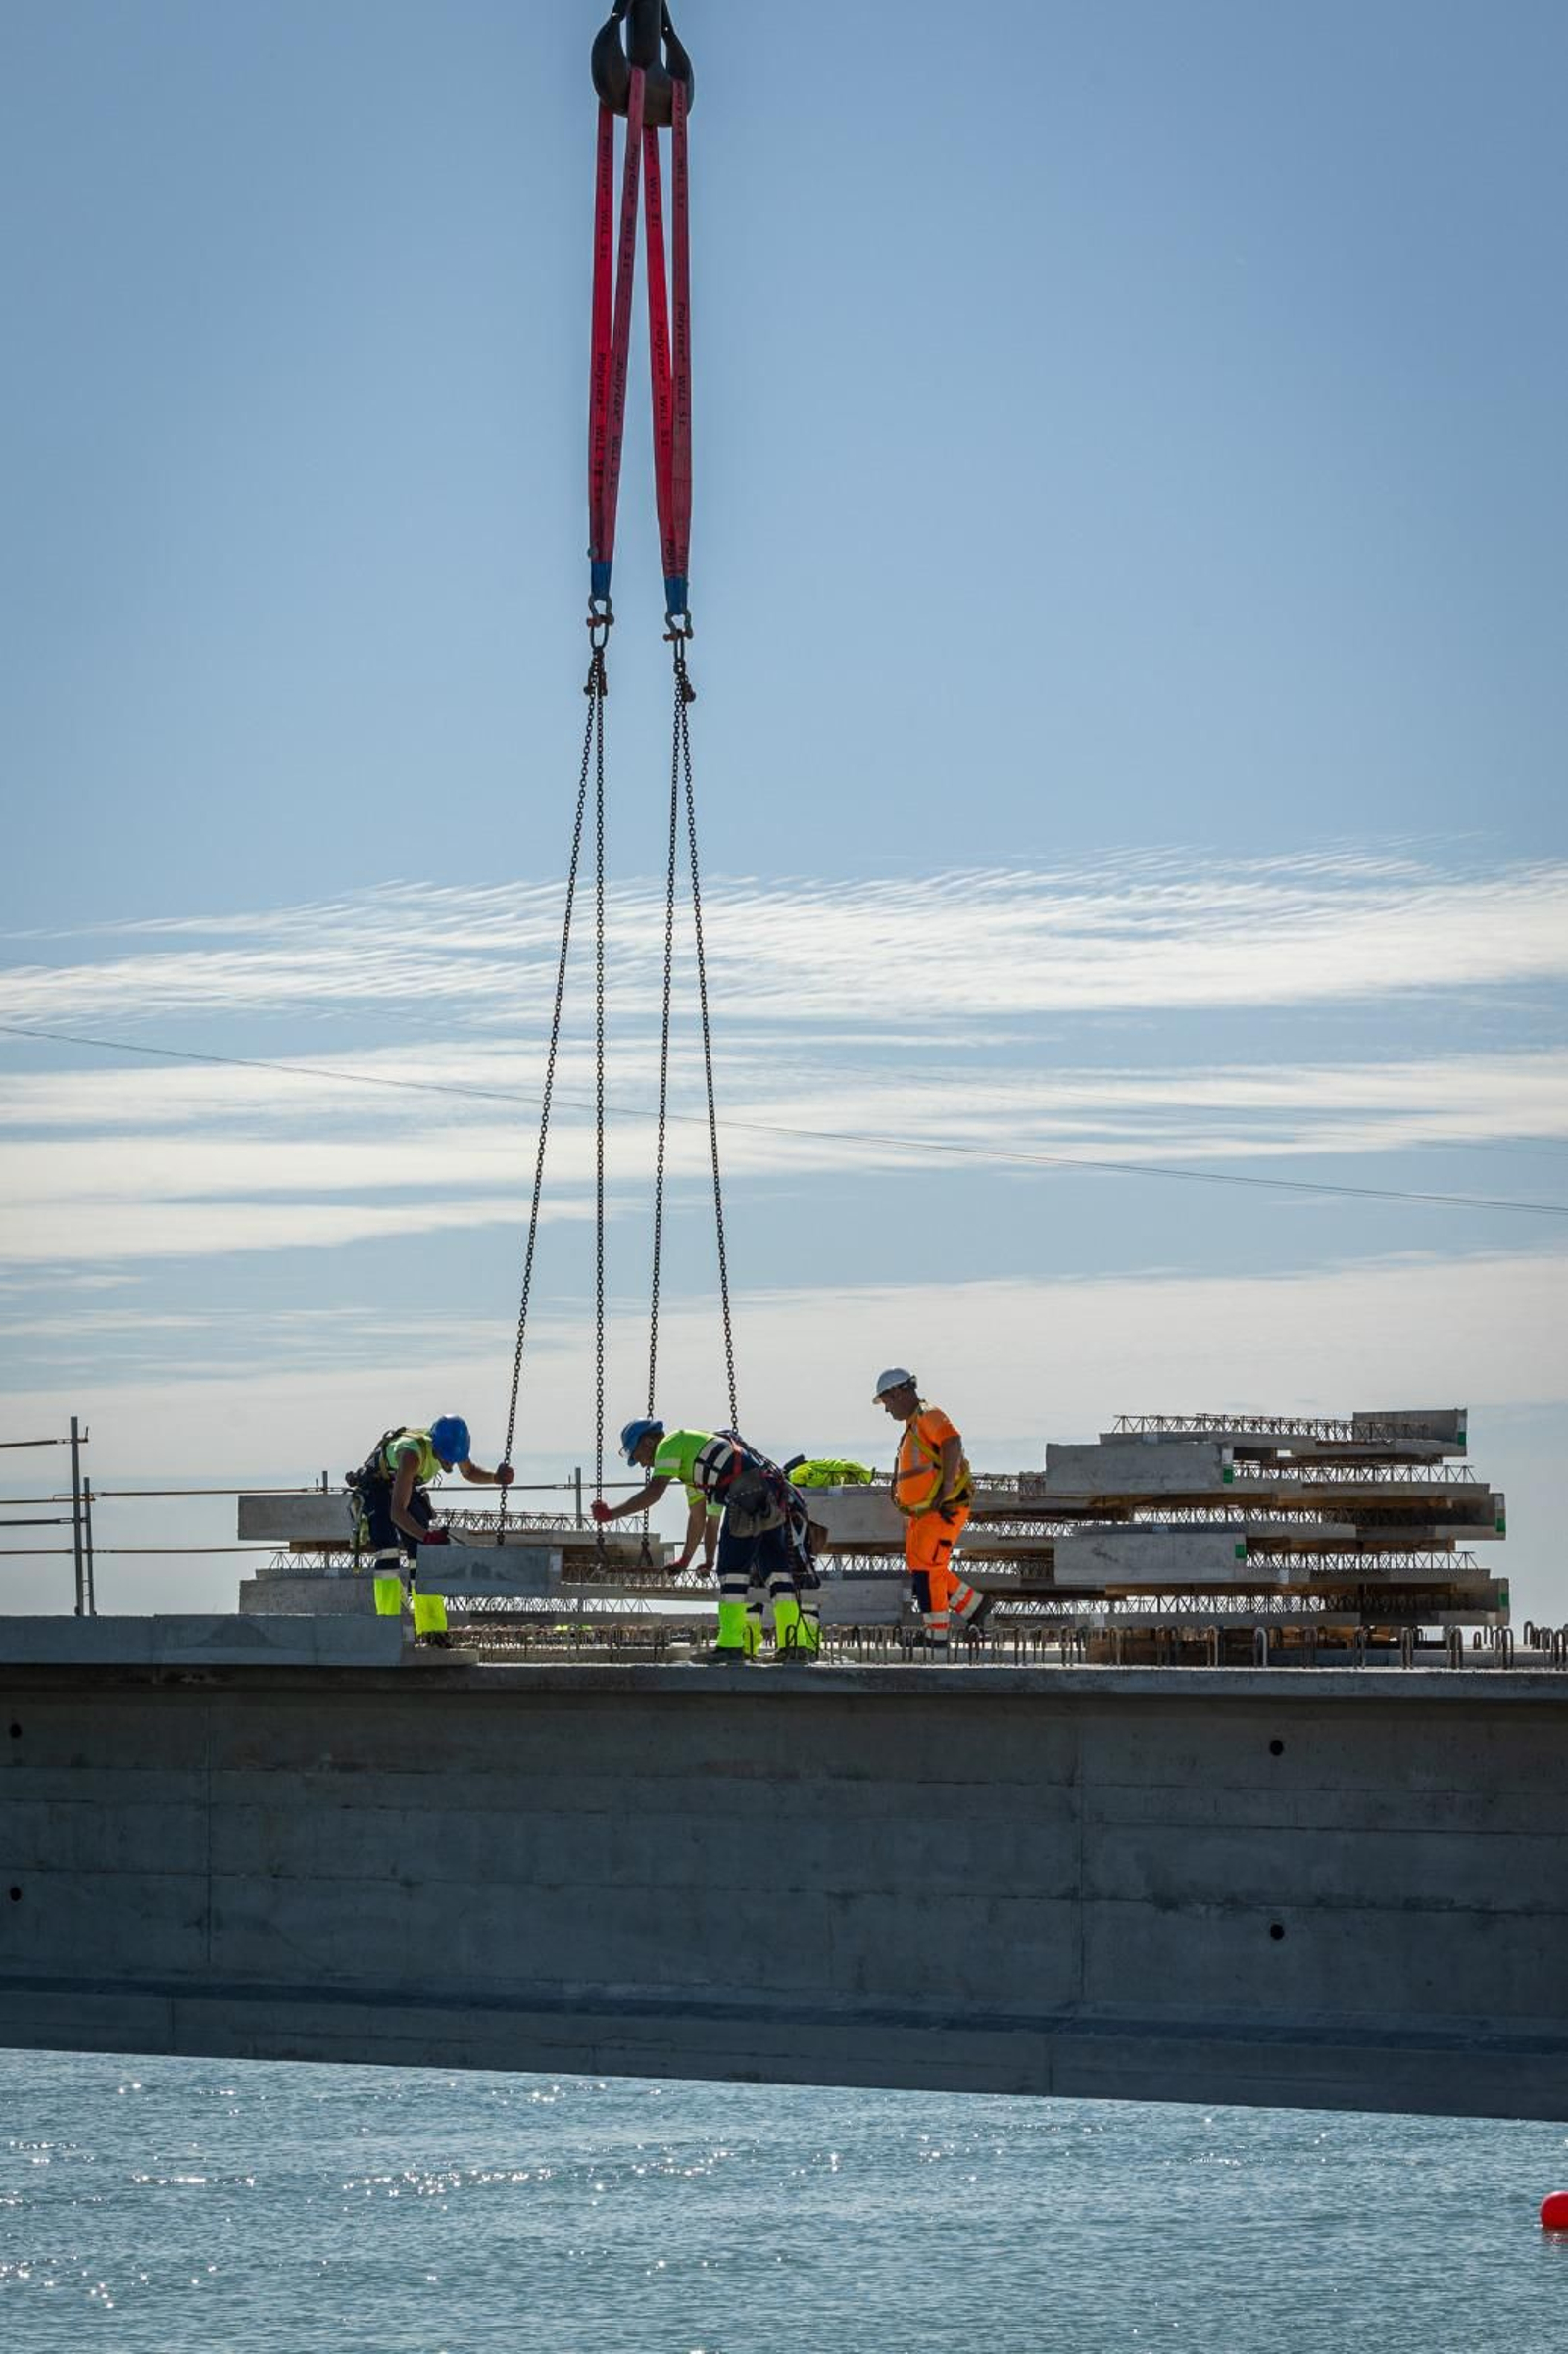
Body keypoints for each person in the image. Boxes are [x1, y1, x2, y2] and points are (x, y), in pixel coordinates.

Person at [594, 1419, 819, 1665]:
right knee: (777, 1573)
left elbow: (655, 1490)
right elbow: (698, 1517)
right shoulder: (692, 1459)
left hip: (745, 1492)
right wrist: (686, 1559)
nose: (640, 1463)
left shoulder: (669, 1444)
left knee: (731, 1572)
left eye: (637, 1455)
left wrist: (611, 1514)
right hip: (769, 1495)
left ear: (648, 1441)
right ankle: (794, 1645)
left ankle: (731, 1645)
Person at [346, 1415, 514, 1644]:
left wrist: (495, 1478)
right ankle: (389, 1628)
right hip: (378, 1487)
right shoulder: (412, 1456)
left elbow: (469, 1472)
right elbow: (397, 1513)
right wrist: (427, 1535)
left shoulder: (450, 1447)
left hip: (404, 1484)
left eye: (454, 1460)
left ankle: (433, 1629)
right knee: (388, 1553)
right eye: (447, 1460)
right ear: (435, 1447)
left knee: (423, 1556)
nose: (450, 1465)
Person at [872, 1368, 990, 1658]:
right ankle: (974, 1606)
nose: (887, 1410)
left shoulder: (928, 1415)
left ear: (898, 1393)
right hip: (926, 1512)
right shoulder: (915, 1422)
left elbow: (952, 1442)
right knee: (921, 1565)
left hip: (942, 1509)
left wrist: (946, 1487)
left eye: (887, 1402)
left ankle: (936, 1637)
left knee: (928, 1568)